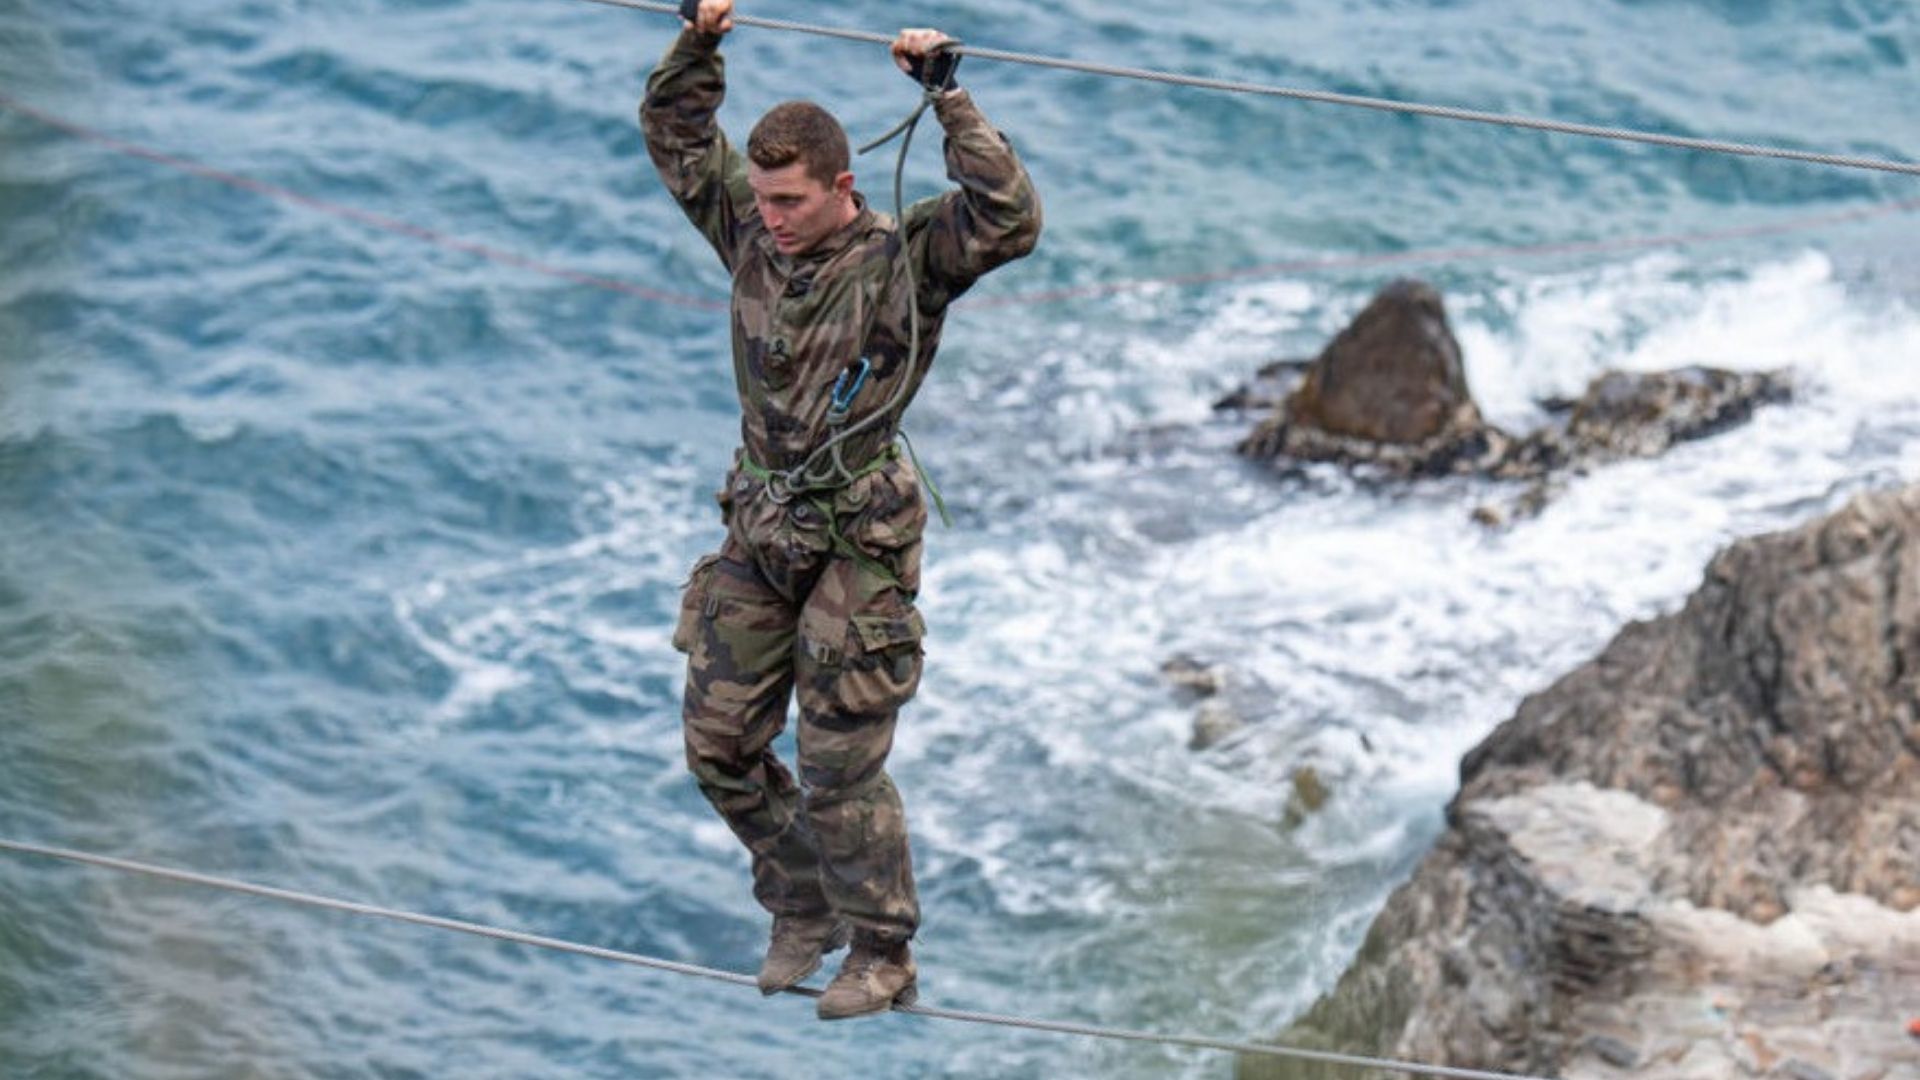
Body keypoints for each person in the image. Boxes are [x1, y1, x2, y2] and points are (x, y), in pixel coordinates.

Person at [642, 0, 1041, 1020]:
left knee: (836, 763)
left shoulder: (902, 261)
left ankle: (884, 952)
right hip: (765, 521)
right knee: (719, 744)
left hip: (859, 532)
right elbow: (678, 134)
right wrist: (701, 40)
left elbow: (1009, 219)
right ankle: (801, 899)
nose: (768, 216)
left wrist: (947, 97)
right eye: (763, 198)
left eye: (788, 200)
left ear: (841, 187)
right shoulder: (748, 234)